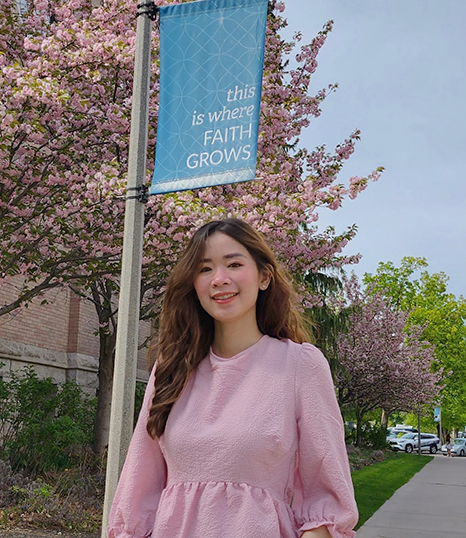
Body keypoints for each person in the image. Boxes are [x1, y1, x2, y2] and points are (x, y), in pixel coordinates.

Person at [107, 219, 358, 538]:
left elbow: (326, 492)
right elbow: (138, 488)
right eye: (204, 269)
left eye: (234, 264)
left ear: (264, 277)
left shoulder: (299, 365)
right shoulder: (171, 369)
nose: (219, 279)